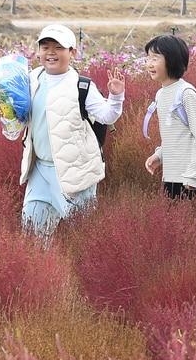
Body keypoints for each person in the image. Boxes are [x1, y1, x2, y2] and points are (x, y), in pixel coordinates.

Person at [20, 24, 125, 242]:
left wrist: (116, 97)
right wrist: (3, 111)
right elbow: (17, 120)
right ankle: (41, 276)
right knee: (32, 240)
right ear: (38, 51)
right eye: (45, 47)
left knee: (85, 240)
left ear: (72, 53)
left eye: (59, 48)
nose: (51, 53)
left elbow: (107, 116)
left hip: (74, 174)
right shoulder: (30, 81)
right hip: (38, 171)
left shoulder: (82, 86)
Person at [142, 34, 196, 200]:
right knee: (173, 223)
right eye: (148, 58)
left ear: (172, 60)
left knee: (190, 224)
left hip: (190, 179)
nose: (149, 64)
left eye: (155, 58)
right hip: (172, 175)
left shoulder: (186, 94)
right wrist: (159, 155)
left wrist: (193, 175)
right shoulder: (161, 94)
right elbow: (175, 136)